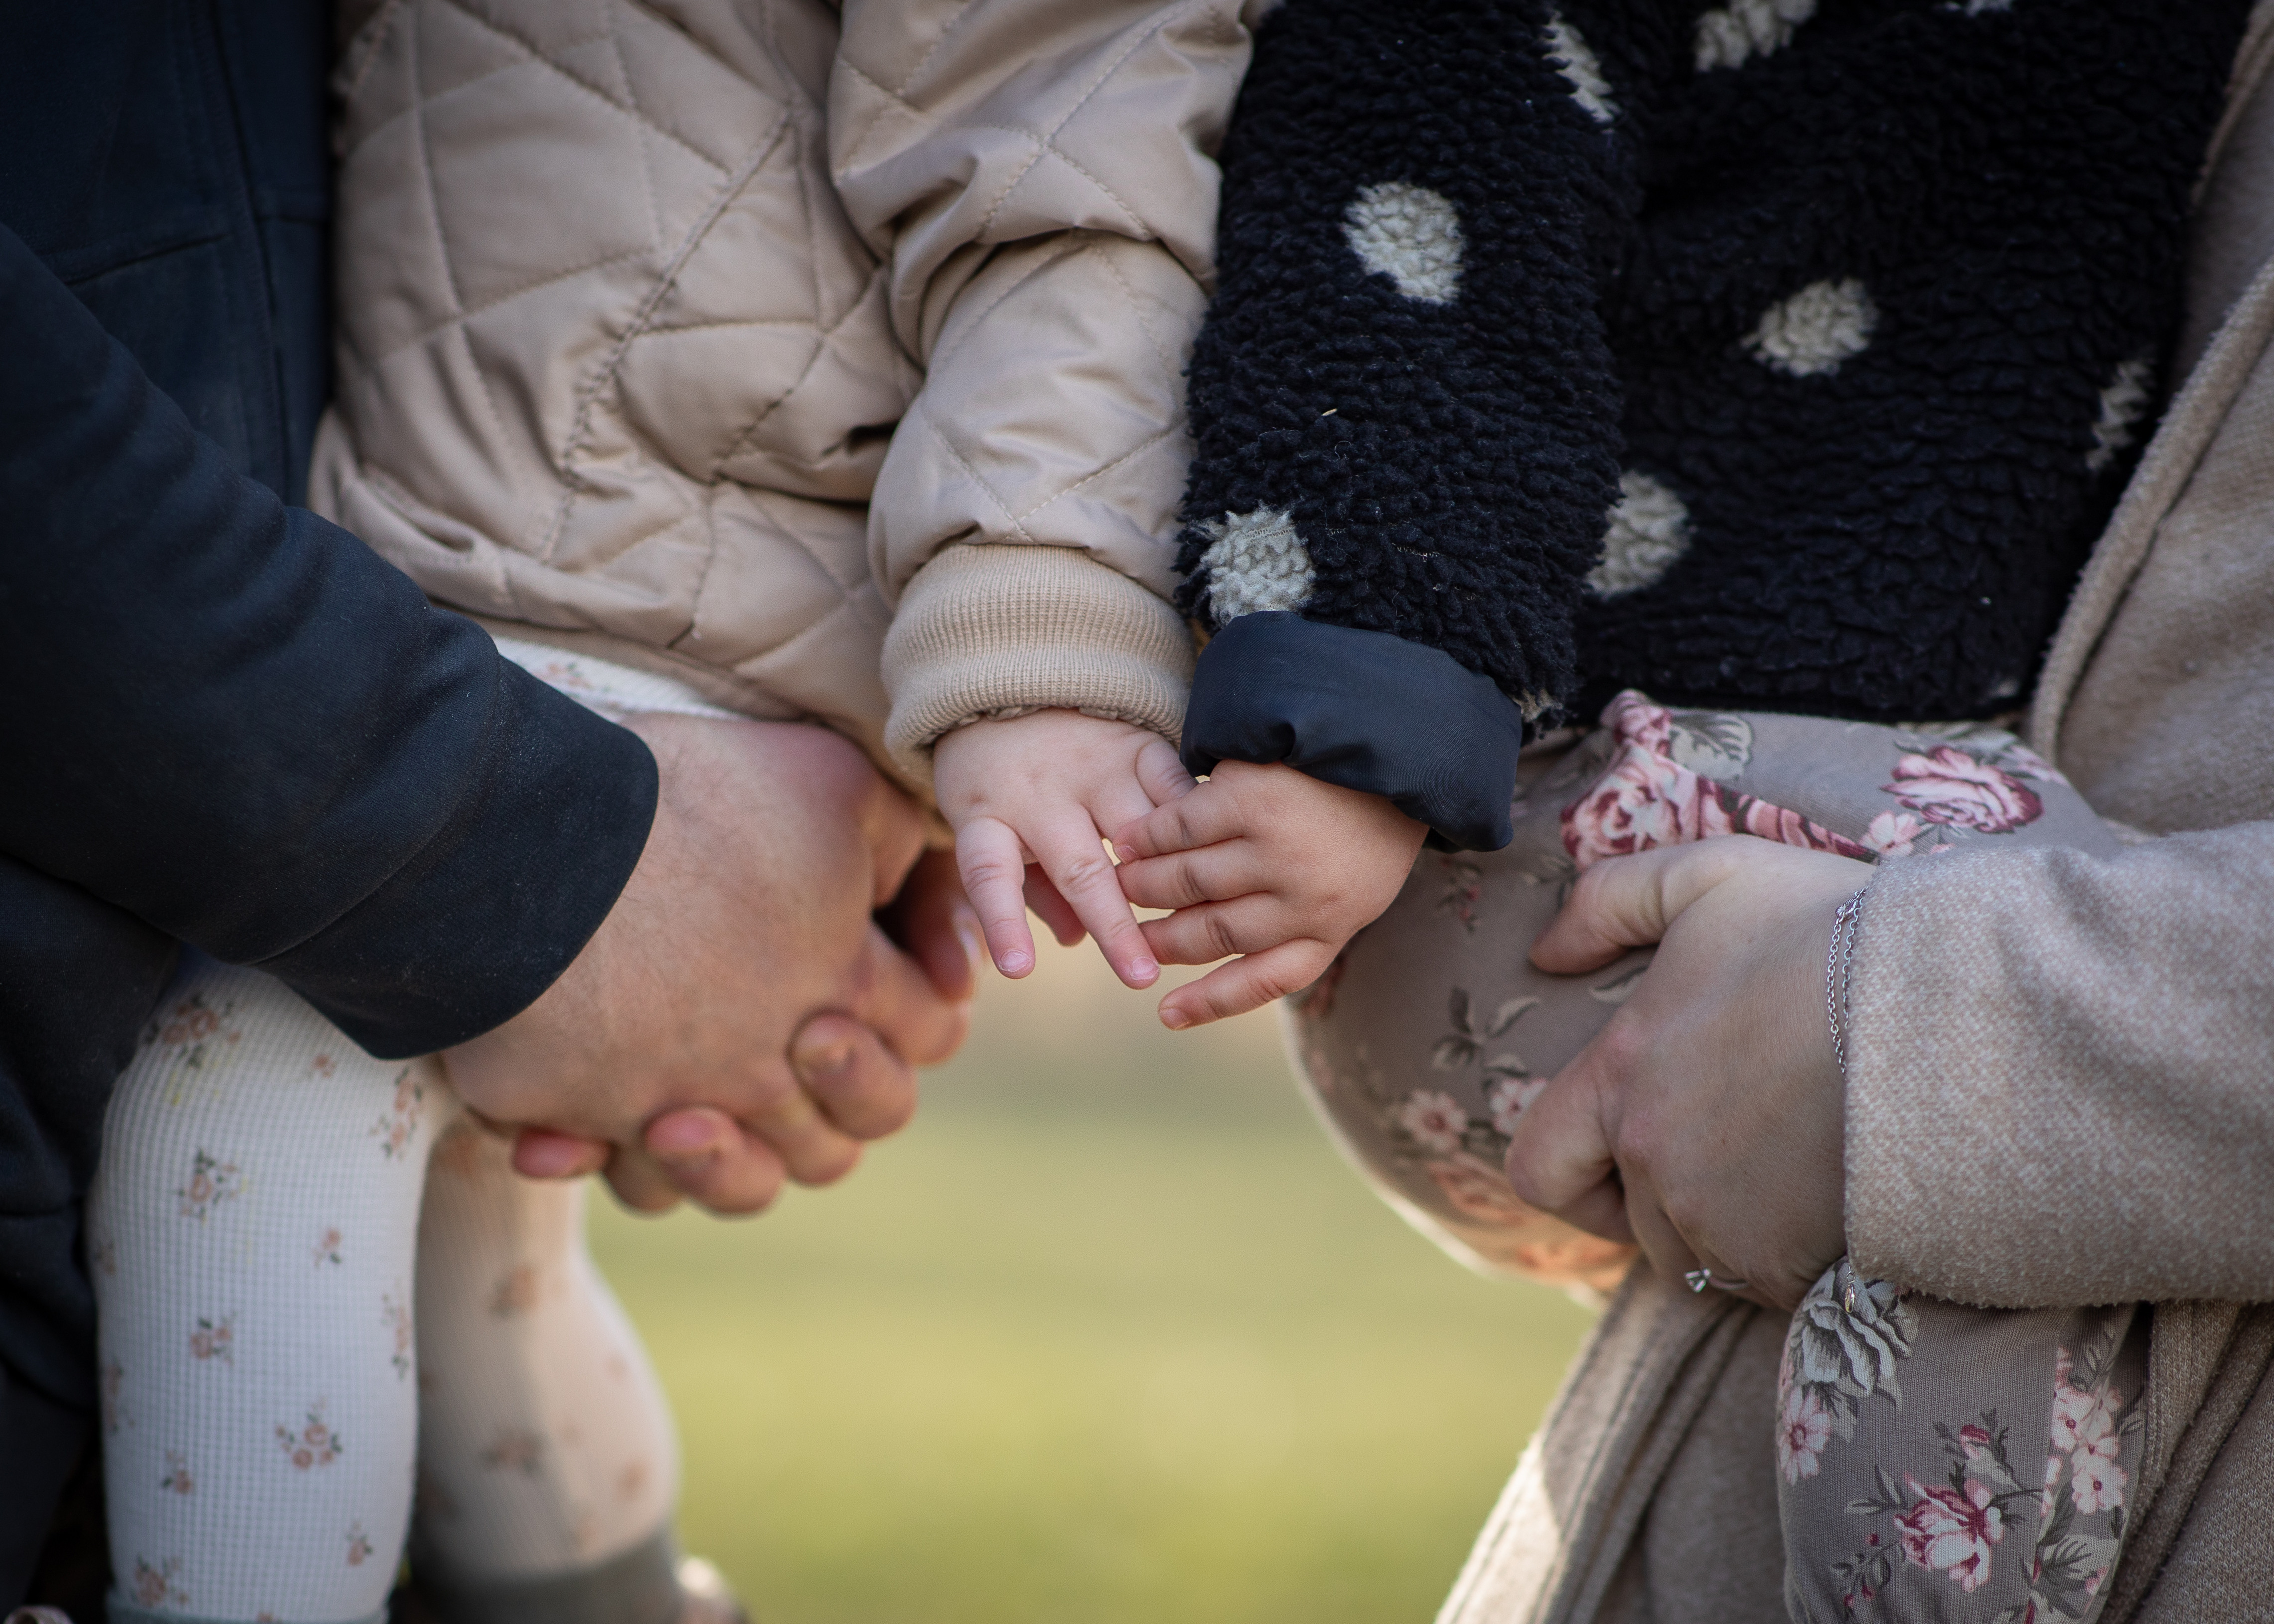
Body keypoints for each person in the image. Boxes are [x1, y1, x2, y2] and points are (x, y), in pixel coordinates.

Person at [72, 3, 1274, 1622]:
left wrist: (1039, 625)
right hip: (494, 575)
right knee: (478, 1240)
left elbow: (1072, 153)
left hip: (683, 592)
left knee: (261, 1091)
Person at [1088, 1, 2274, 1621]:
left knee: (1988, 981)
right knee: (1988, 965)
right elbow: (1423, 153)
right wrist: (1369, 699)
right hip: (1530, 815)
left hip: (1728, 846)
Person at [0, 2, 967, 1611]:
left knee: (328, 1152)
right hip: (429, 649)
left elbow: (1079, 176)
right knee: (385, 1188)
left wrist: (1016, 665)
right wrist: (512, 852)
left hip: (539, 646)